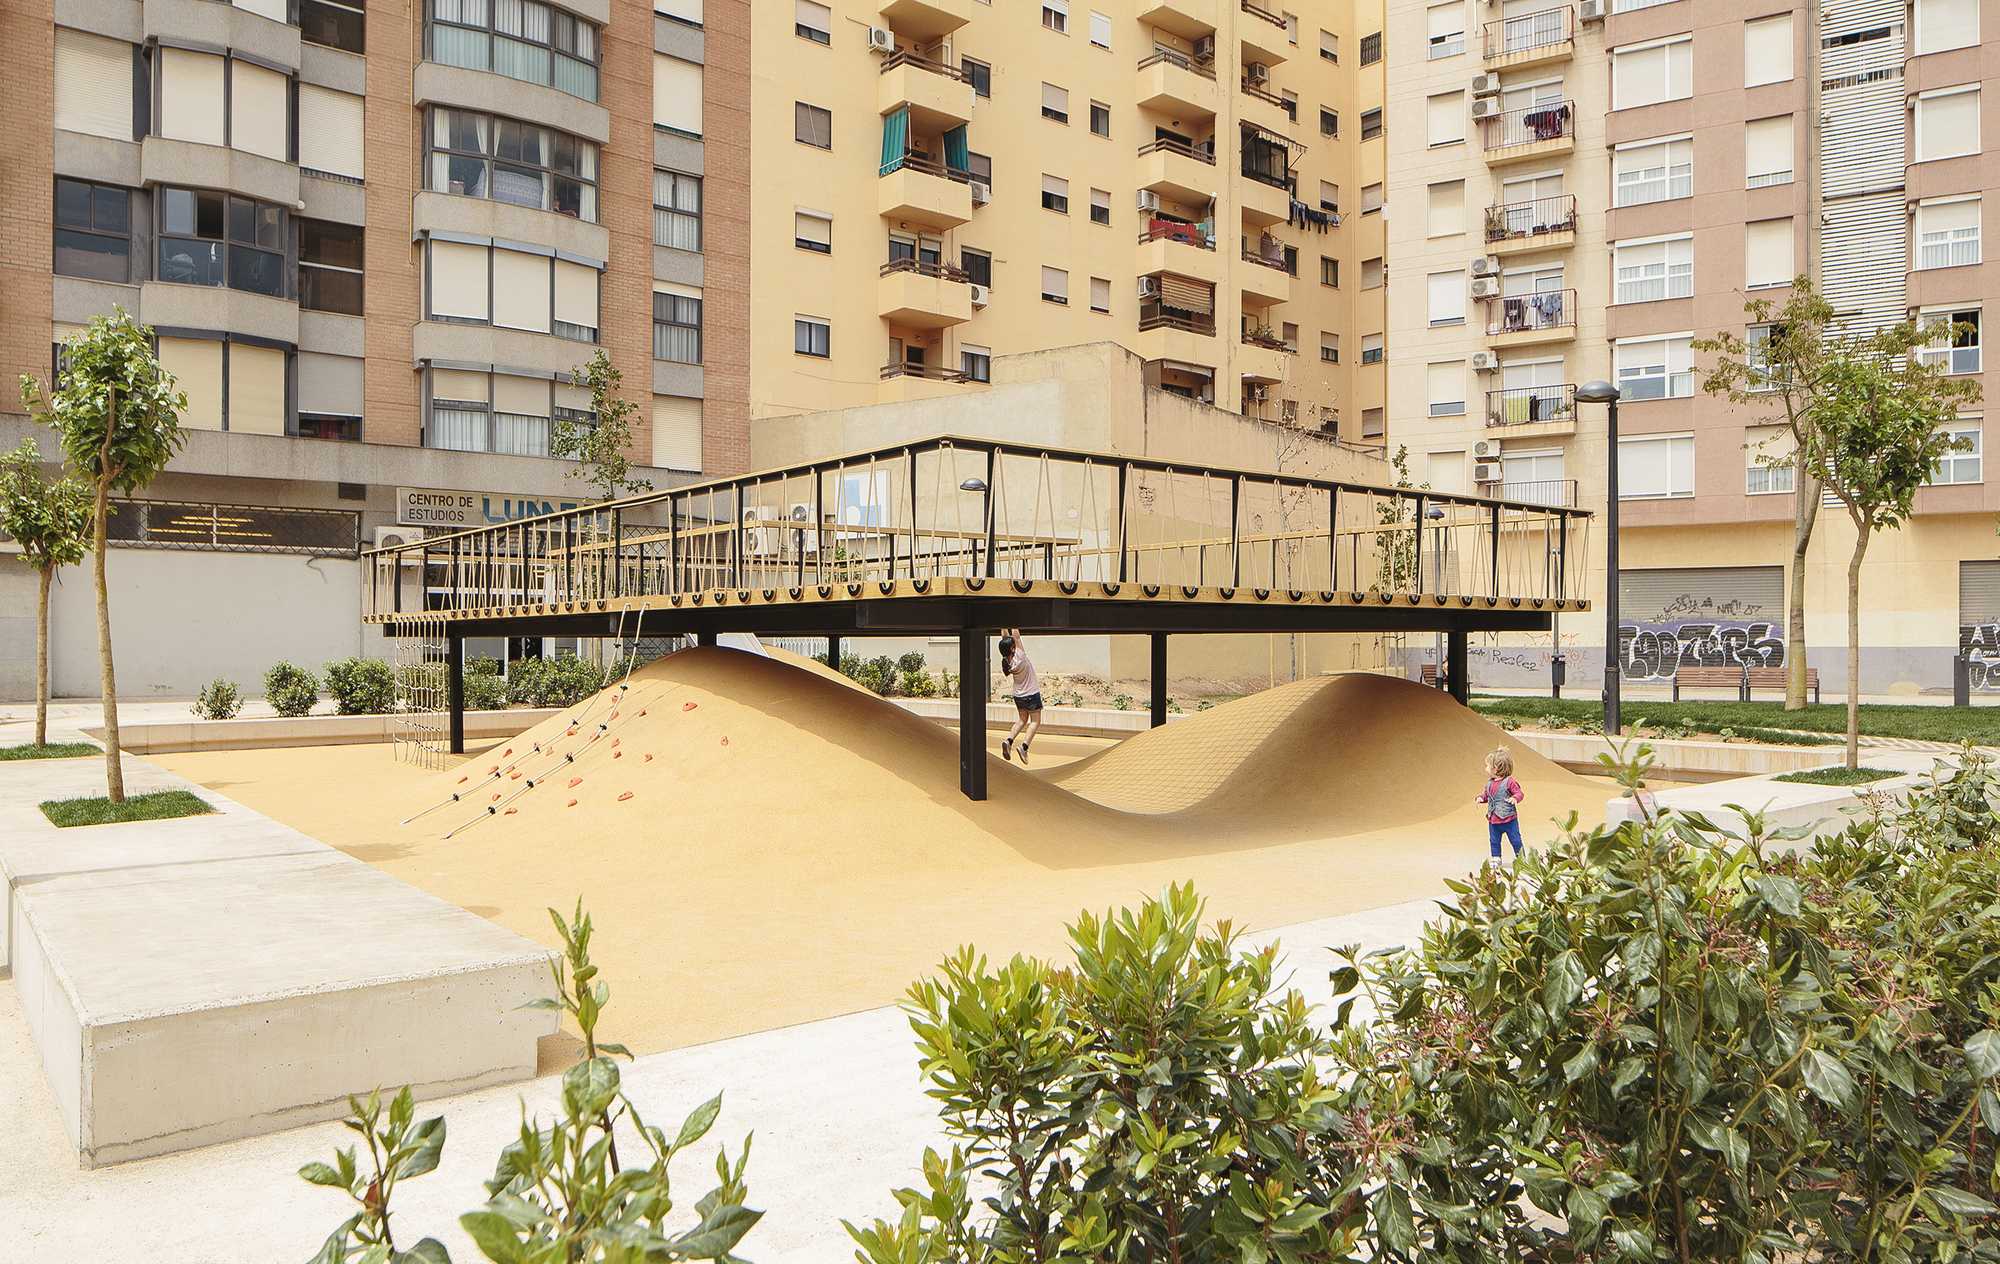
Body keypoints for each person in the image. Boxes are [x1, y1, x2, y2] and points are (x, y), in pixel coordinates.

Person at [997, 628, 1043, 765]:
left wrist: (1004, 626)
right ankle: (1024, 747)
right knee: (1035, 722)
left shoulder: (1008, 663)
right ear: (1012, 649)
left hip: (1018, 696)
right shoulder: (1020, 657)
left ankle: (1009, 741)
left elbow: (1006, 638)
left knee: (1022, 721)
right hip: (1031, 694)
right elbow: (1016, 637)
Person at [1477, 747, 1525, 864]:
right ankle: (1496, 857)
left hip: (1509, 819)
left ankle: (1521, 858)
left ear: (1496, 768)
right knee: (1494, 840)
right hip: (1493, 819)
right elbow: (1487, 795)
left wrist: (1515, 798)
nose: (1486, 768)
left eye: (1487, 766)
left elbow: (1519, 793)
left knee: (1515, 839)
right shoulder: (1490, 783)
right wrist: (1480, 798)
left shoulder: (1509, 782)